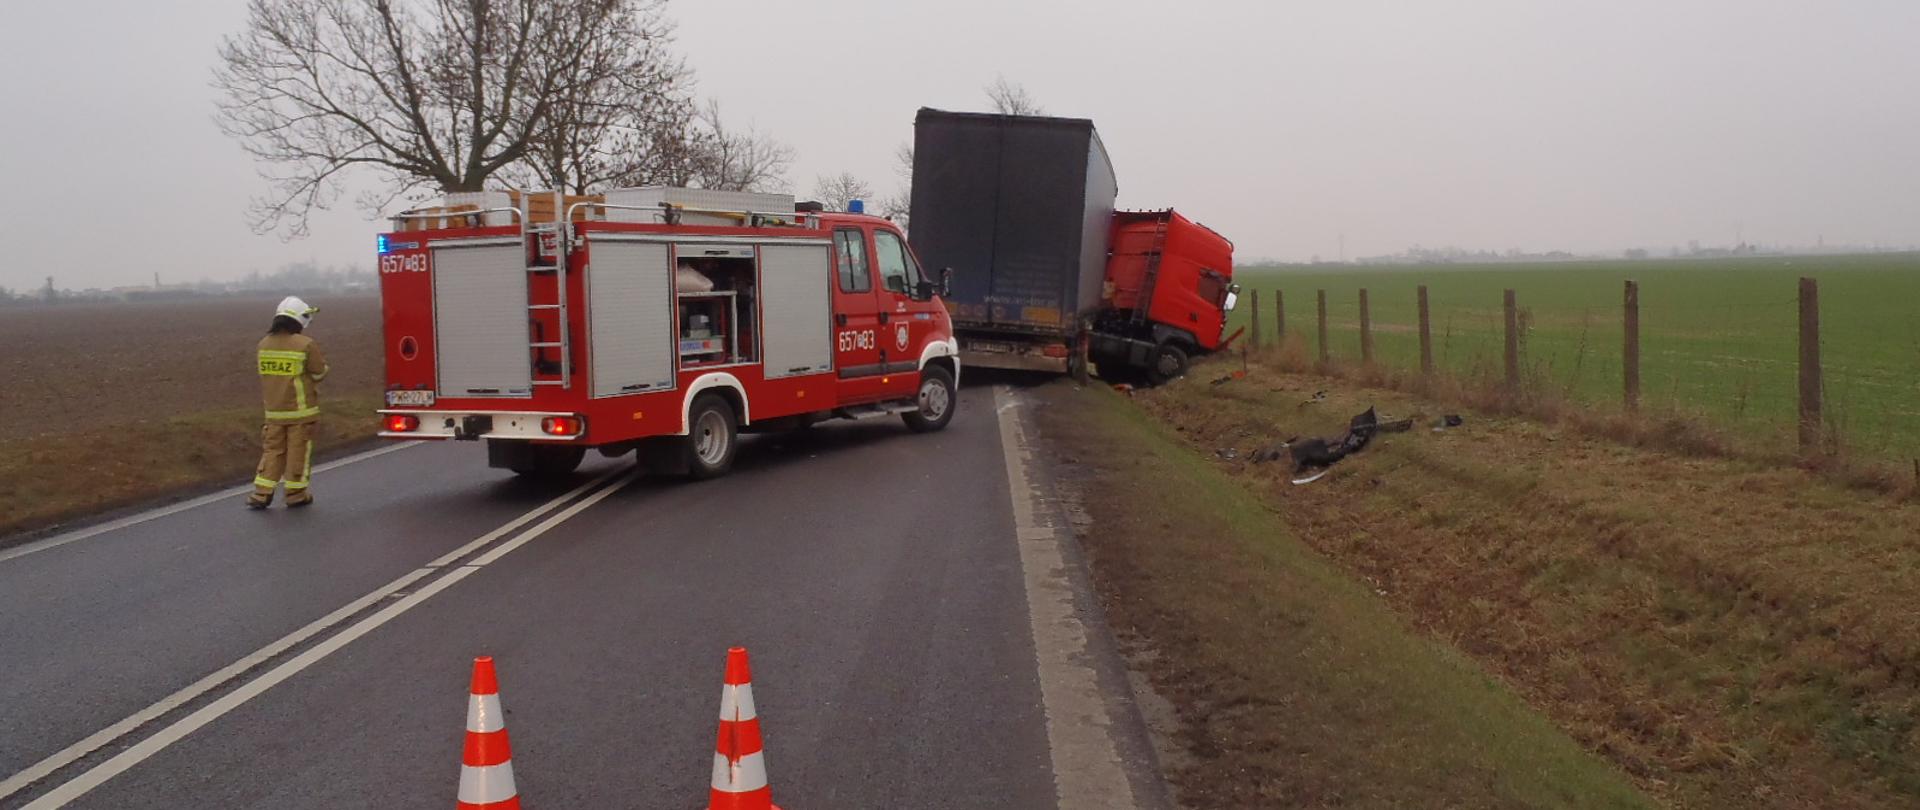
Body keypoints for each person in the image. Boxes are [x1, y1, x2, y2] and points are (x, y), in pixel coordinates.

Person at [248, 296, 328, 509]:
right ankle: (295, 494)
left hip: (273, 412)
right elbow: (319, 373)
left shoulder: (263, 345)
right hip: (301, 412)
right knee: (297, 452)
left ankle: (261, 493)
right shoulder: (305, 344)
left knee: (272, 451)